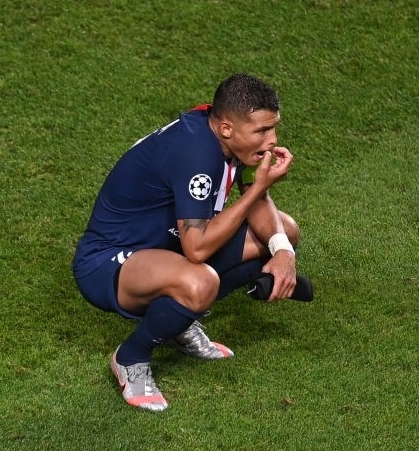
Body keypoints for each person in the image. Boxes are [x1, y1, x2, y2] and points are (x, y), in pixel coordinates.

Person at [72, 74, 306, 412]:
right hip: (110, 262)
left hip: (164, 246)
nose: (273, 140)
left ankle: (177, 321)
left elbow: (258, 209)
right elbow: (197, 249)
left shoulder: (222, 134)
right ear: (227, 128)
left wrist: (283, 251)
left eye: (273, 129)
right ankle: (131, 358)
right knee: (200, 282)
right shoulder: (197, 154)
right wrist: (257, 187)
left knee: (282, 230)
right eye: (262, 131)